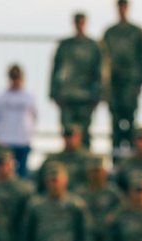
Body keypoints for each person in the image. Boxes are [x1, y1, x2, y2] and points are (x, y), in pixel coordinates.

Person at [102, 0, 142, 153]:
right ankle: (116, 156)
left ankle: (130, 153)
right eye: (120, 7)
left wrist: (140, 82)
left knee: (129, 119)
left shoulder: (137, 32)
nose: (122, 10)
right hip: (114, 85)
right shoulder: (110, 32)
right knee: (115, 121)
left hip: (130, 83)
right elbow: (103, 59)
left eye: (124, 6)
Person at [49, 12, 102, 147]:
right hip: (67, 97)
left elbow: (100, 72)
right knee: (68, 133)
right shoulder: (65, 45)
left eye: (81, 22)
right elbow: (56, 68)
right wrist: (54, 93)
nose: (79, 25)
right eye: (77, 22)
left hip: (86, 97)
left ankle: (85, 162)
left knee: (84, 133)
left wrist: (98, 95)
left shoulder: (93, 46)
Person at [0, 64, 38, 177]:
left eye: (18, 78)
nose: (15, 81)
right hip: (5, 140)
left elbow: (35, 116)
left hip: (23, 140)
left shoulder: (29, 97)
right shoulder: (1, 97)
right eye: (13, 78)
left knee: (22, 172)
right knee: (4, 173)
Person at [34, 124, 91, 194]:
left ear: (80, 137)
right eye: (67, 136)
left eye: (74, 136)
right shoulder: (52, 159)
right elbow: (40, 182)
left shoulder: (89, 160)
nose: (70, 139)